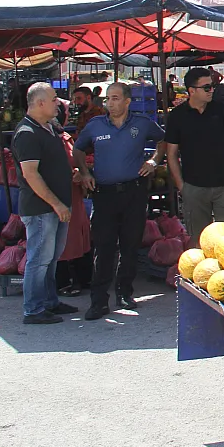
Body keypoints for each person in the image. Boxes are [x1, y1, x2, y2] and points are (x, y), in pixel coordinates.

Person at [74, 82, 165, 319]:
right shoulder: (95, 125)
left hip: (134, 192)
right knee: (103, 247)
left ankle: (124, 292)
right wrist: (84, 172)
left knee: (130, 244)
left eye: (115, 98)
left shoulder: (141, 123)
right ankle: (98, 300)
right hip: (104, 194)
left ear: (127, 101)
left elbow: (163, 141)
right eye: (107, 99)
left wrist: (154, 161)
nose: (110, 103)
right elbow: (78, 149)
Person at [12, 83, 79, 324]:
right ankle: (33, 310)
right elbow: (31, 174)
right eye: (53, 99)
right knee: (39, 259)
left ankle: (49, 302)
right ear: (39, 103)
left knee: (51, 258)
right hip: (42, 209)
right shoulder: (26, 134)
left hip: (56, 206)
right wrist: (56, 204)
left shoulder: (49, 128)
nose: (58, 102)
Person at [165, 68, 224, 239]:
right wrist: (182, 187)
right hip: (194, 188)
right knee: (199, 241)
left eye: (212, 86)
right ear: (192, 91)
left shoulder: (221, 111)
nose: (212, 90)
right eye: (207, 87)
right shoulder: (177, 117)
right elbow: (171, 154)